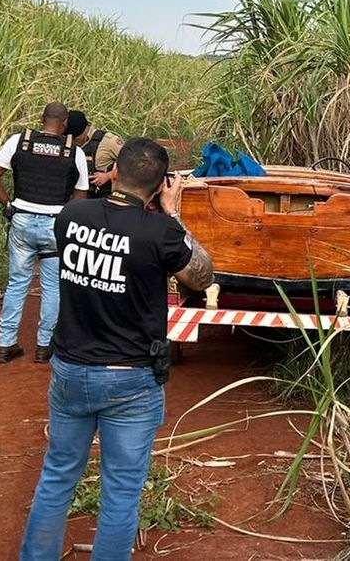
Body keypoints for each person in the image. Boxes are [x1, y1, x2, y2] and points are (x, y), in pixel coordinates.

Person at [19, 138, 213, 561]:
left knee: (56, 477)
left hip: (70, 370)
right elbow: (201, 275)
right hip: (131, 379)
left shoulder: (72, 216)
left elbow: (102, 227)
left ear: (116, 172)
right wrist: (173, 209)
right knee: (121, 490)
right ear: (162, 183)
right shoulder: (160, 232)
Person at [0, 102, 89, 364]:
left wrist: (8, 204)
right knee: (52, 287)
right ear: (65, 124)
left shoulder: (20, 141)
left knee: (17, 283)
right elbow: (80, 196)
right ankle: (44, 347)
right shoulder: (73, 152)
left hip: (21, 221)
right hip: (55, 224)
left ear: (41, 119)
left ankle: (5, 344)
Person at [65, 110, 125, 199]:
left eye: (74, 138)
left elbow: (133, 163)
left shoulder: (108, 141)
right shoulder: (66, 139)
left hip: (103, 196)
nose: (71, 140)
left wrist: (108, 175)